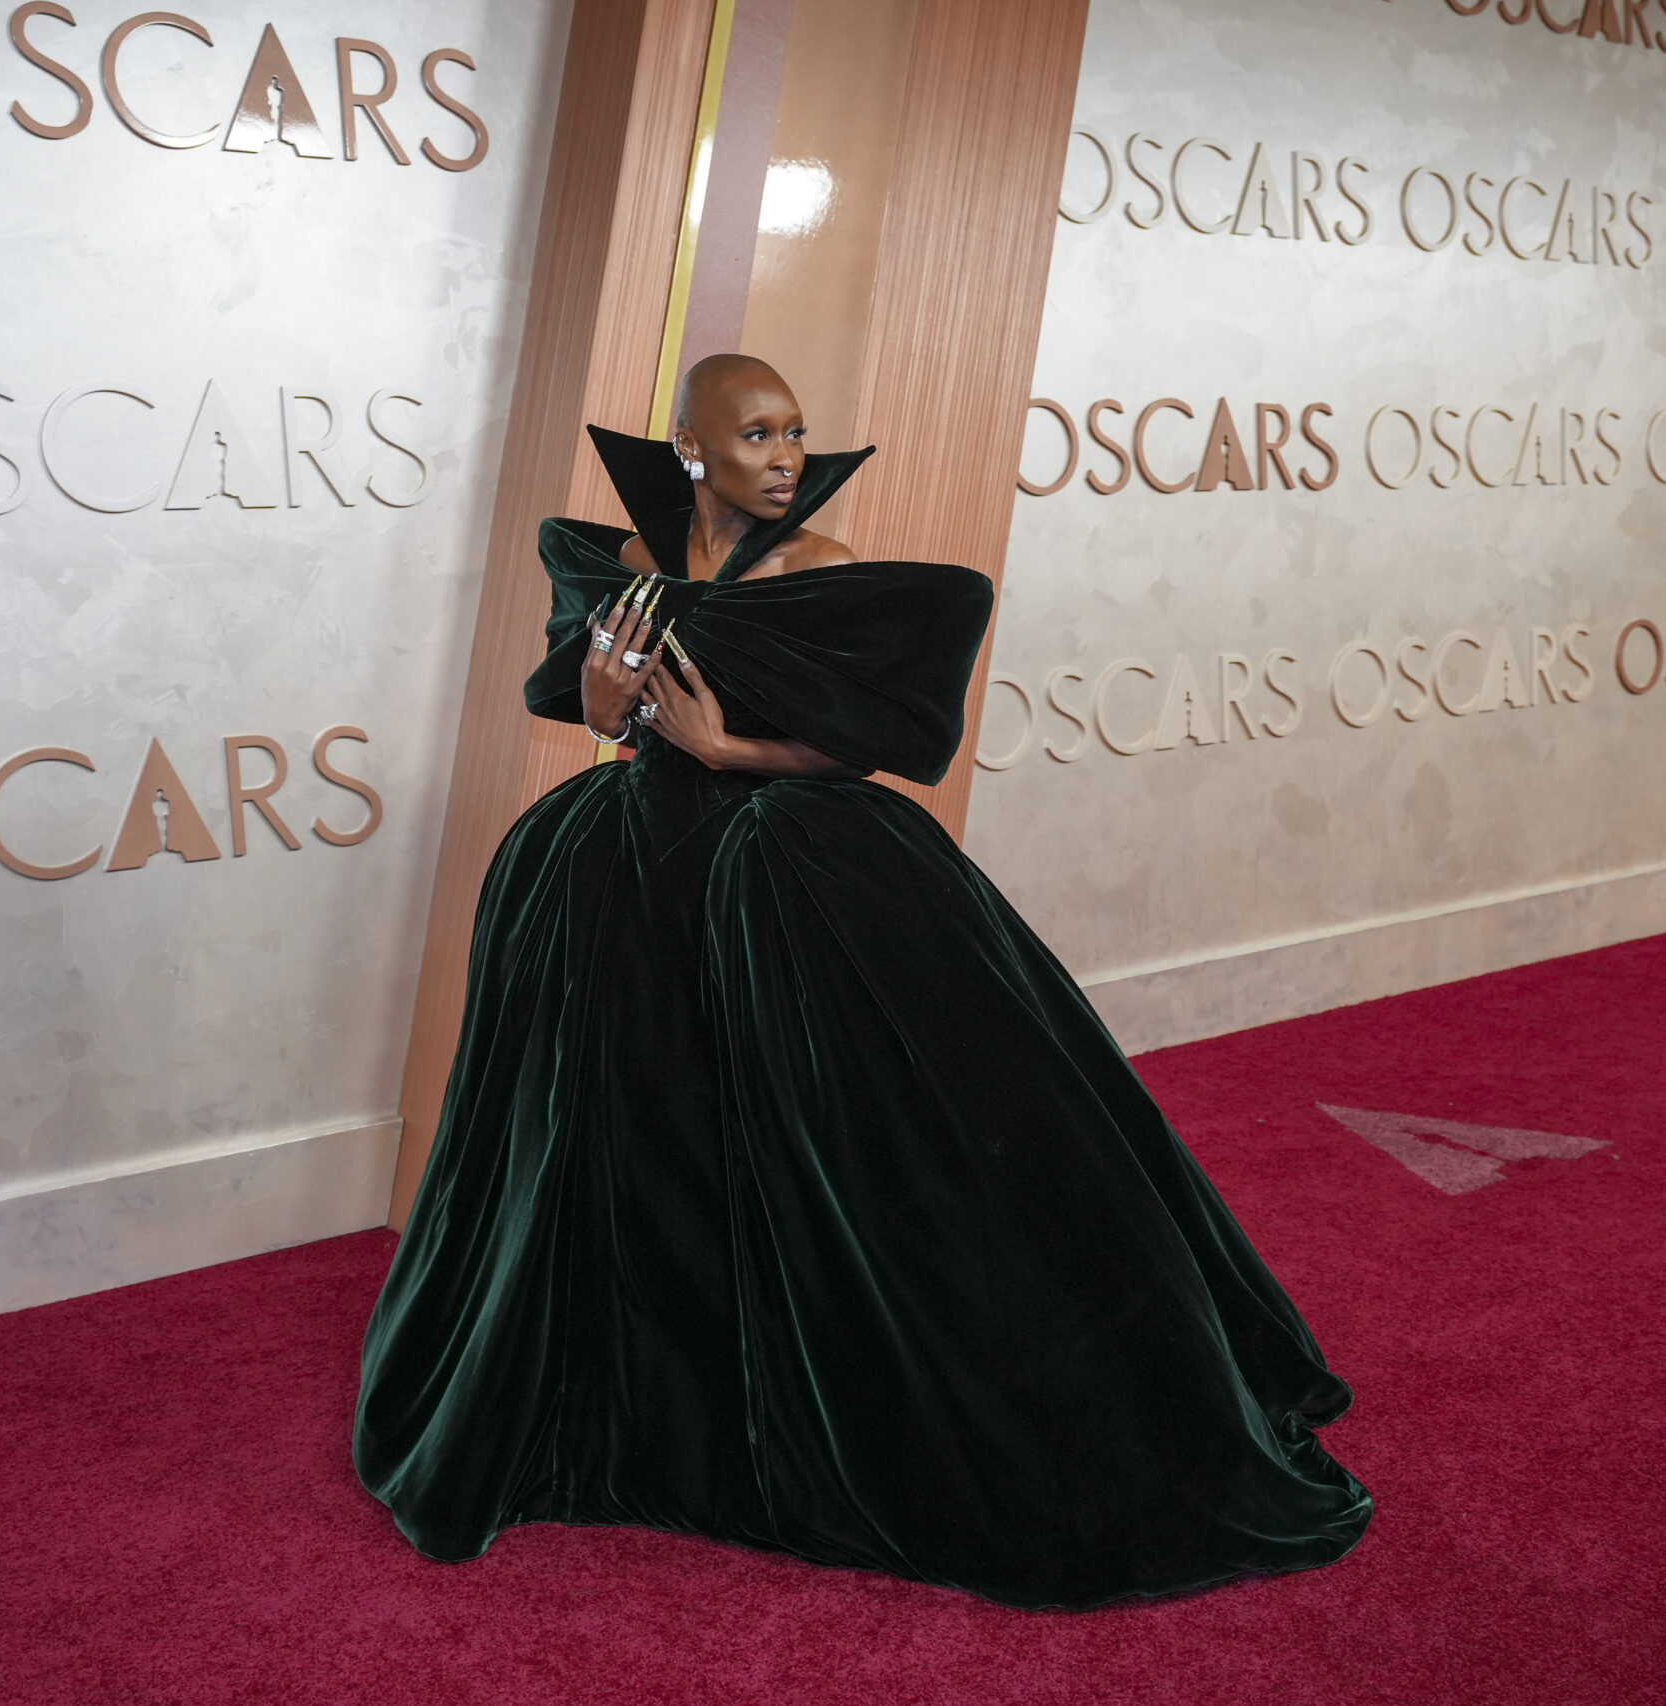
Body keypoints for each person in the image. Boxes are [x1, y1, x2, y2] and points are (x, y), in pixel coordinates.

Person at [353, 355, 1372, 1609]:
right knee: (620, 1138)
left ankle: (865, 1399)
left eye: (795, 430)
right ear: (689, 449)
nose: (783, 454)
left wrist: (731, 746)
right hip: (626, 869)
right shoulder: (619, 563)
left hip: (794, 868)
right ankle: (628, 1410)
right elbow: (602, 705)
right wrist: (607, 706)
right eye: (755, 433)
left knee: (860, 1149)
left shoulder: (825, 568)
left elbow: (877, 738)